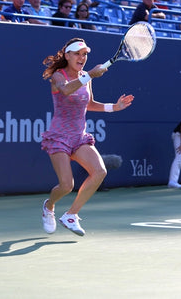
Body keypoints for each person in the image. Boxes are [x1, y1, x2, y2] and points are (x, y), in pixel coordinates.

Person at [40, 38, 134, 235]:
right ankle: (49, 206)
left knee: (99, 171)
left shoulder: (86, 77)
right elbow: (65, 89)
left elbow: (89, 104)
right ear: (67, 56)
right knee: (67, 185)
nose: (82, 57)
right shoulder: (58, 76)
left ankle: (71, 215)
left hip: (79, 136)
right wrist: (90, 74)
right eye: (77, 53)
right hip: (59, 136)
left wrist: (113, 107)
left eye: (85, 54)